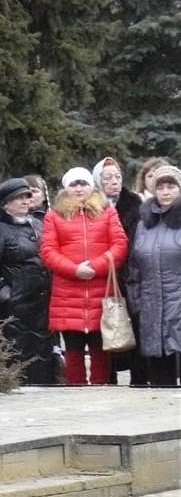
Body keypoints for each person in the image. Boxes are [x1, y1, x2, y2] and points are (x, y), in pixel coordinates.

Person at [40, 167, 128, 385]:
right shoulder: (54, 216)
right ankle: (75, 391)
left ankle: (101, 388)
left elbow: (120, 245)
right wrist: (74, 269)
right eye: (73, 184)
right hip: (67, 294)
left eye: (83, 183)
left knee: (100, 348)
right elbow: (48, 251)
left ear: (91, 186)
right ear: (66, 188)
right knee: (73, 350)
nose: (79, 188)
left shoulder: (107, 212)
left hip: (101, 292)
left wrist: (97, 266)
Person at [0, 178, 56, 384]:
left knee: (43, 355)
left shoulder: (38, 224)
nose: (25, 201)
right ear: (6, 203)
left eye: (27, 196)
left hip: (42, 304)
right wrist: (5, 295)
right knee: (18, 355)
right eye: (18, 198)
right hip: (14, 308)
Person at [126, 165, 181, 386]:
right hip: (151, 309)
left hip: (178, 307)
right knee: (160, 383)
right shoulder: (143, 225)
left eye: (171, 186)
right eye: (161, 187)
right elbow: (134, 270)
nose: (166, 192)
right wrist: (137, 303)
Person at [93, 156, 145, 384]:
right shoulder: (92, 205)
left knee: (133, 328)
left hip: (128, 275)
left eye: (117, 177)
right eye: (107, 178)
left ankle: (139, 379)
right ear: (97, 180)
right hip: (101, 276)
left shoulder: (134, 203)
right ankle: (108, 378)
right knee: (106, 327)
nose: (114, 182)